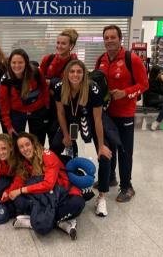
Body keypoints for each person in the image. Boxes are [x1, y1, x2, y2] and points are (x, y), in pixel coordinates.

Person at [51, 60, 112, 216]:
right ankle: (62, 185)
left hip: (90, 120)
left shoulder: (93, 89)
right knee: (55, 147)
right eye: (72, 71)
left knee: (105, 156)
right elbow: (60, 113)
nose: (75, 75)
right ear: (66, 74)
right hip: (70, 121)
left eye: (79, 71)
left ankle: (102, 197)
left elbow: (98, 120)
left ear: (84, 74)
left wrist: (100, 146)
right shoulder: (59, 87)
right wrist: (65, 135)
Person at [96, 25, 149, 202]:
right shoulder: (101, 59)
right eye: (106, 37)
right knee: (108, 148)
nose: (109, 40)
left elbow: (144, 85)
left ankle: (127, 186)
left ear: (120, 39)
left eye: (113, 37)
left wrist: (125, 92)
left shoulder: (131, 59)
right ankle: (110, 178)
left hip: (125, 113)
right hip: (106, 113)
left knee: (124, 150)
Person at [6, 132, 85, 240]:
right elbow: (18, 182)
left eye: (27, 144)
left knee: (78, 203)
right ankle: (62, 223)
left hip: (59, 194)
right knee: (18, 200)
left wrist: (22, 190)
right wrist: (8, 193)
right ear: (18, 150)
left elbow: (48, 185)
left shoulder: (48, 155)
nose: (25, 149)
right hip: (41, 198)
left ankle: (32, 222)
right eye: (21, 147)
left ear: (33, 144)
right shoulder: (23, 162)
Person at [0, 48, 49, 145]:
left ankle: (37, 160)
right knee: (16, 143)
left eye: (20, 62)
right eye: (14, 62)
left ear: (26, 62)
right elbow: (3, 105)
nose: (17, 66)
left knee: (38, 142)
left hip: (37, 111)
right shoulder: (5, 80)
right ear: (10, 63)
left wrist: (46, 107)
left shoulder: (36, 73)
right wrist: (8, 126)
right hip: (17, 112)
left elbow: (45, 89)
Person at [40, 29, 79, 144]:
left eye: (63, 43)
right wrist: (54, 85)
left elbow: (74, 86)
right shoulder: (48, 59)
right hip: (47, 107)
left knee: (68, 141)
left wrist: (51, 83)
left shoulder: (75, 63)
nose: (59, 46)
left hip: (68, 109)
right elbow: (38, 81)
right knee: (41, 140)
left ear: (71, 46)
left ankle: (70, 161)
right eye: (58, 43)